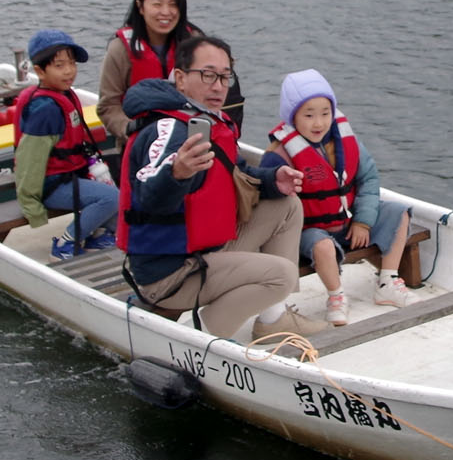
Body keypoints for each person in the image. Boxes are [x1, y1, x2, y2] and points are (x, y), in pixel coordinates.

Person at [118, 35, 316, 340]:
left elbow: (235, 172)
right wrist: (177, 174)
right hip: (170, 274)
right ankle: (195, 337)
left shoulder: (208, 120)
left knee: (286, 206)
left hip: (204, 251)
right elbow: (148, 197)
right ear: (181, 79)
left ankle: (273, 319)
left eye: (225, 76)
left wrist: (272, 180)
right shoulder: (169, 129)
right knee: (282, 275)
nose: (218, 85)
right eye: (208, 75)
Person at [269, 70, 412, 325]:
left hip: (348, 224)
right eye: (309, 115)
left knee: (398, 212)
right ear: (293, 117)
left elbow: (368, 180)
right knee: (322, 246)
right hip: (311, 231)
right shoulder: (280, 155)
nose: (319, 123)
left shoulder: (349, 142)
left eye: (325, 113)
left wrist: (363, 221)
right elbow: (275, 205)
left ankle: (388, 281)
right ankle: (336, 296)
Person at [12, 29, 116, 255]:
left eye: (72, 64)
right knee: (111, 198)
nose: (69, 71)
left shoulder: (63, 95)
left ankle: (95, 233)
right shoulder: (44, 110)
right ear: (39, 71)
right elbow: (29, 162)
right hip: (52, 186)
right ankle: (66, 242)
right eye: (59, 66)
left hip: (72, 174)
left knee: (121, 191)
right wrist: (33, 209)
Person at [97, 0, 199, 142]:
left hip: (189, 140)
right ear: (140, 7)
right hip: (139, 142)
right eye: (157, 4)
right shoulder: (120, 49)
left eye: (173, 5)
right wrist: (130, 129)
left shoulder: (196, 45)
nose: (166, 12)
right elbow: (108, 106)